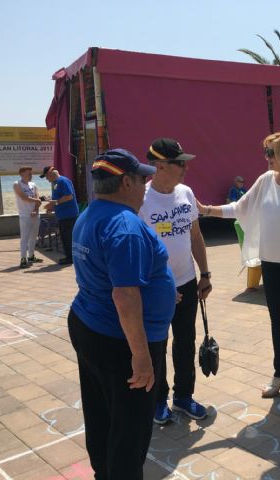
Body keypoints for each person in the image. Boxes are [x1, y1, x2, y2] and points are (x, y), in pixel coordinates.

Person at [68, 149, 175, 480]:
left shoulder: (90, 213)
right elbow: (125, 295)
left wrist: (164, 291)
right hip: (120, 339)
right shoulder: (125, 225)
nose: (147, 184)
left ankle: (105, 473)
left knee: (101, 413)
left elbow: (114, 277)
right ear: (126, 182)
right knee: (130, 430)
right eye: (143, 178)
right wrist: (141, 357)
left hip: (90, 324)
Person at [198, 131, 280, 405]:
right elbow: (239, 208)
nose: (266, 158)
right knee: (277, 320)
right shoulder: (266, 180)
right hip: (271, 262)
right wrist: (206, 209)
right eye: (266, 153)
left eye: (271, 153)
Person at [139, 137, 211, 424]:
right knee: (157, 345)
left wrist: (204, 274)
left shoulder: (186, 193)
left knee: (186, 342)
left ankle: (183, 397)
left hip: (186, 281)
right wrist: (157, 287)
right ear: (159, 166)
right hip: (157, 286)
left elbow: (194, 235)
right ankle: (158, 401)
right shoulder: (141, 200)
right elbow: (138, 249)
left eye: (185, 163)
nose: (185, 168)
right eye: (178, 163)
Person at [41, 166, 79, 265]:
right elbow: (58, 198)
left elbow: (69, 196)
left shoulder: (63, 181)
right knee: (64, 238)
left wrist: (56, 203)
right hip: (62, 215)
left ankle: (71, 259)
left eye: (46, 176)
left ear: (50, 173)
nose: (46, 179)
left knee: (68, 238)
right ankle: (68, 257)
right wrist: (51, 207)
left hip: (69, 214)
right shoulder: (55, 183)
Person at [13, 167, 43, 269]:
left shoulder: (33, 185)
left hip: (35, 215)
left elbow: (37, 198)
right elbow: (23, 197)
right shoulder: (17, 184)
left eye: (31, 173)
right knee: (24, 238)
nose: (31, 176)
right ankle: (23, 258)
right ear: (21, 174)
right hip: (25, 215)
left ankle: (31, 256)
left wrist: (35, 209)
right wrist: (36, 201)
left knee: (34, 237)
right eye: (28, 174)